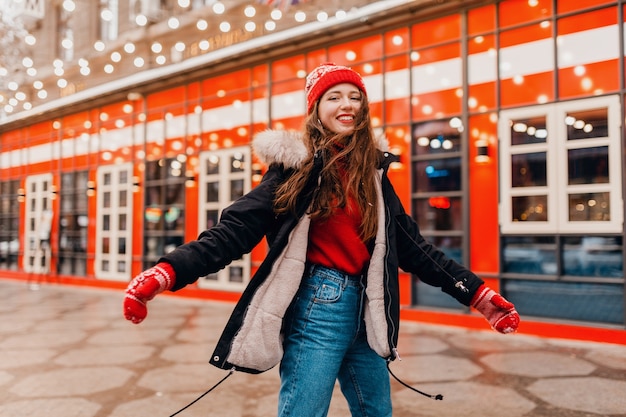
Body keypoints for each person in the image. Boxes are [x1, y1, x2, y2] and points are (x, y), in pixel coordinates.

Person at [123, 62, 520, 417]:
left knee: (376, 411)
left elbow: (414, 248)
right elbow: (233, 231)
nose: (347, 104)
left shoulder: (373, 174)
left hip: (369, 309)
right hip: (319, 307)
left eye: (355, 97)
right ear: (315, 108)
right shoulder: (295, 169)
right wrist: (165, 274)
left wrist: (478, 295)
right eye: (334, 96)